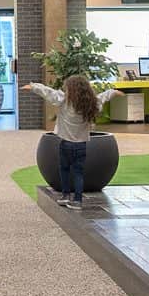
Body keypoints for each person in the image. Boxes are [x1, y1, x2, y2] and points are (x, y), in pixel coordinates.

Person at [25, 76, 120, 209]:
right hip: (81, 145)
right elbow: (102, 97)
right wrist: (113, 92)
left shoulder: (64, 101)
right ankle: (77, 201)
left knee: (64, 170)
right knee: (78, 173)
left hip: (66, 144)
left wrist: (33, 86)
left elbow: (49, 93)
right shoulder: (90, 104)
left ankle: (65, 196)